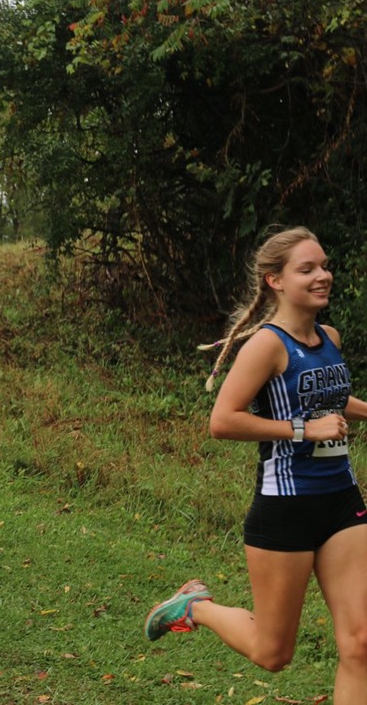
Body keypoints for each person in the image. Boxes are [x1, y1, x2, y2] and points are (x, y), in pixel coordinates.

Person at [145, 227, 367, 701]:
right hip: (286, 506)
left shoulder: (329, 337)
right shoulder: (266, 346)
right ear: (275, 281)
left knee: (361, 643)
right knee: (273, 654)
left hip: (341, 501)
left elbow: (329, 398)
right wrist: (305, 430)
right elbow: (223, 421)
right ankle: (195, 607)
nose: (322, 275)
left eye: (324, 266)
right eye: (307, 269)